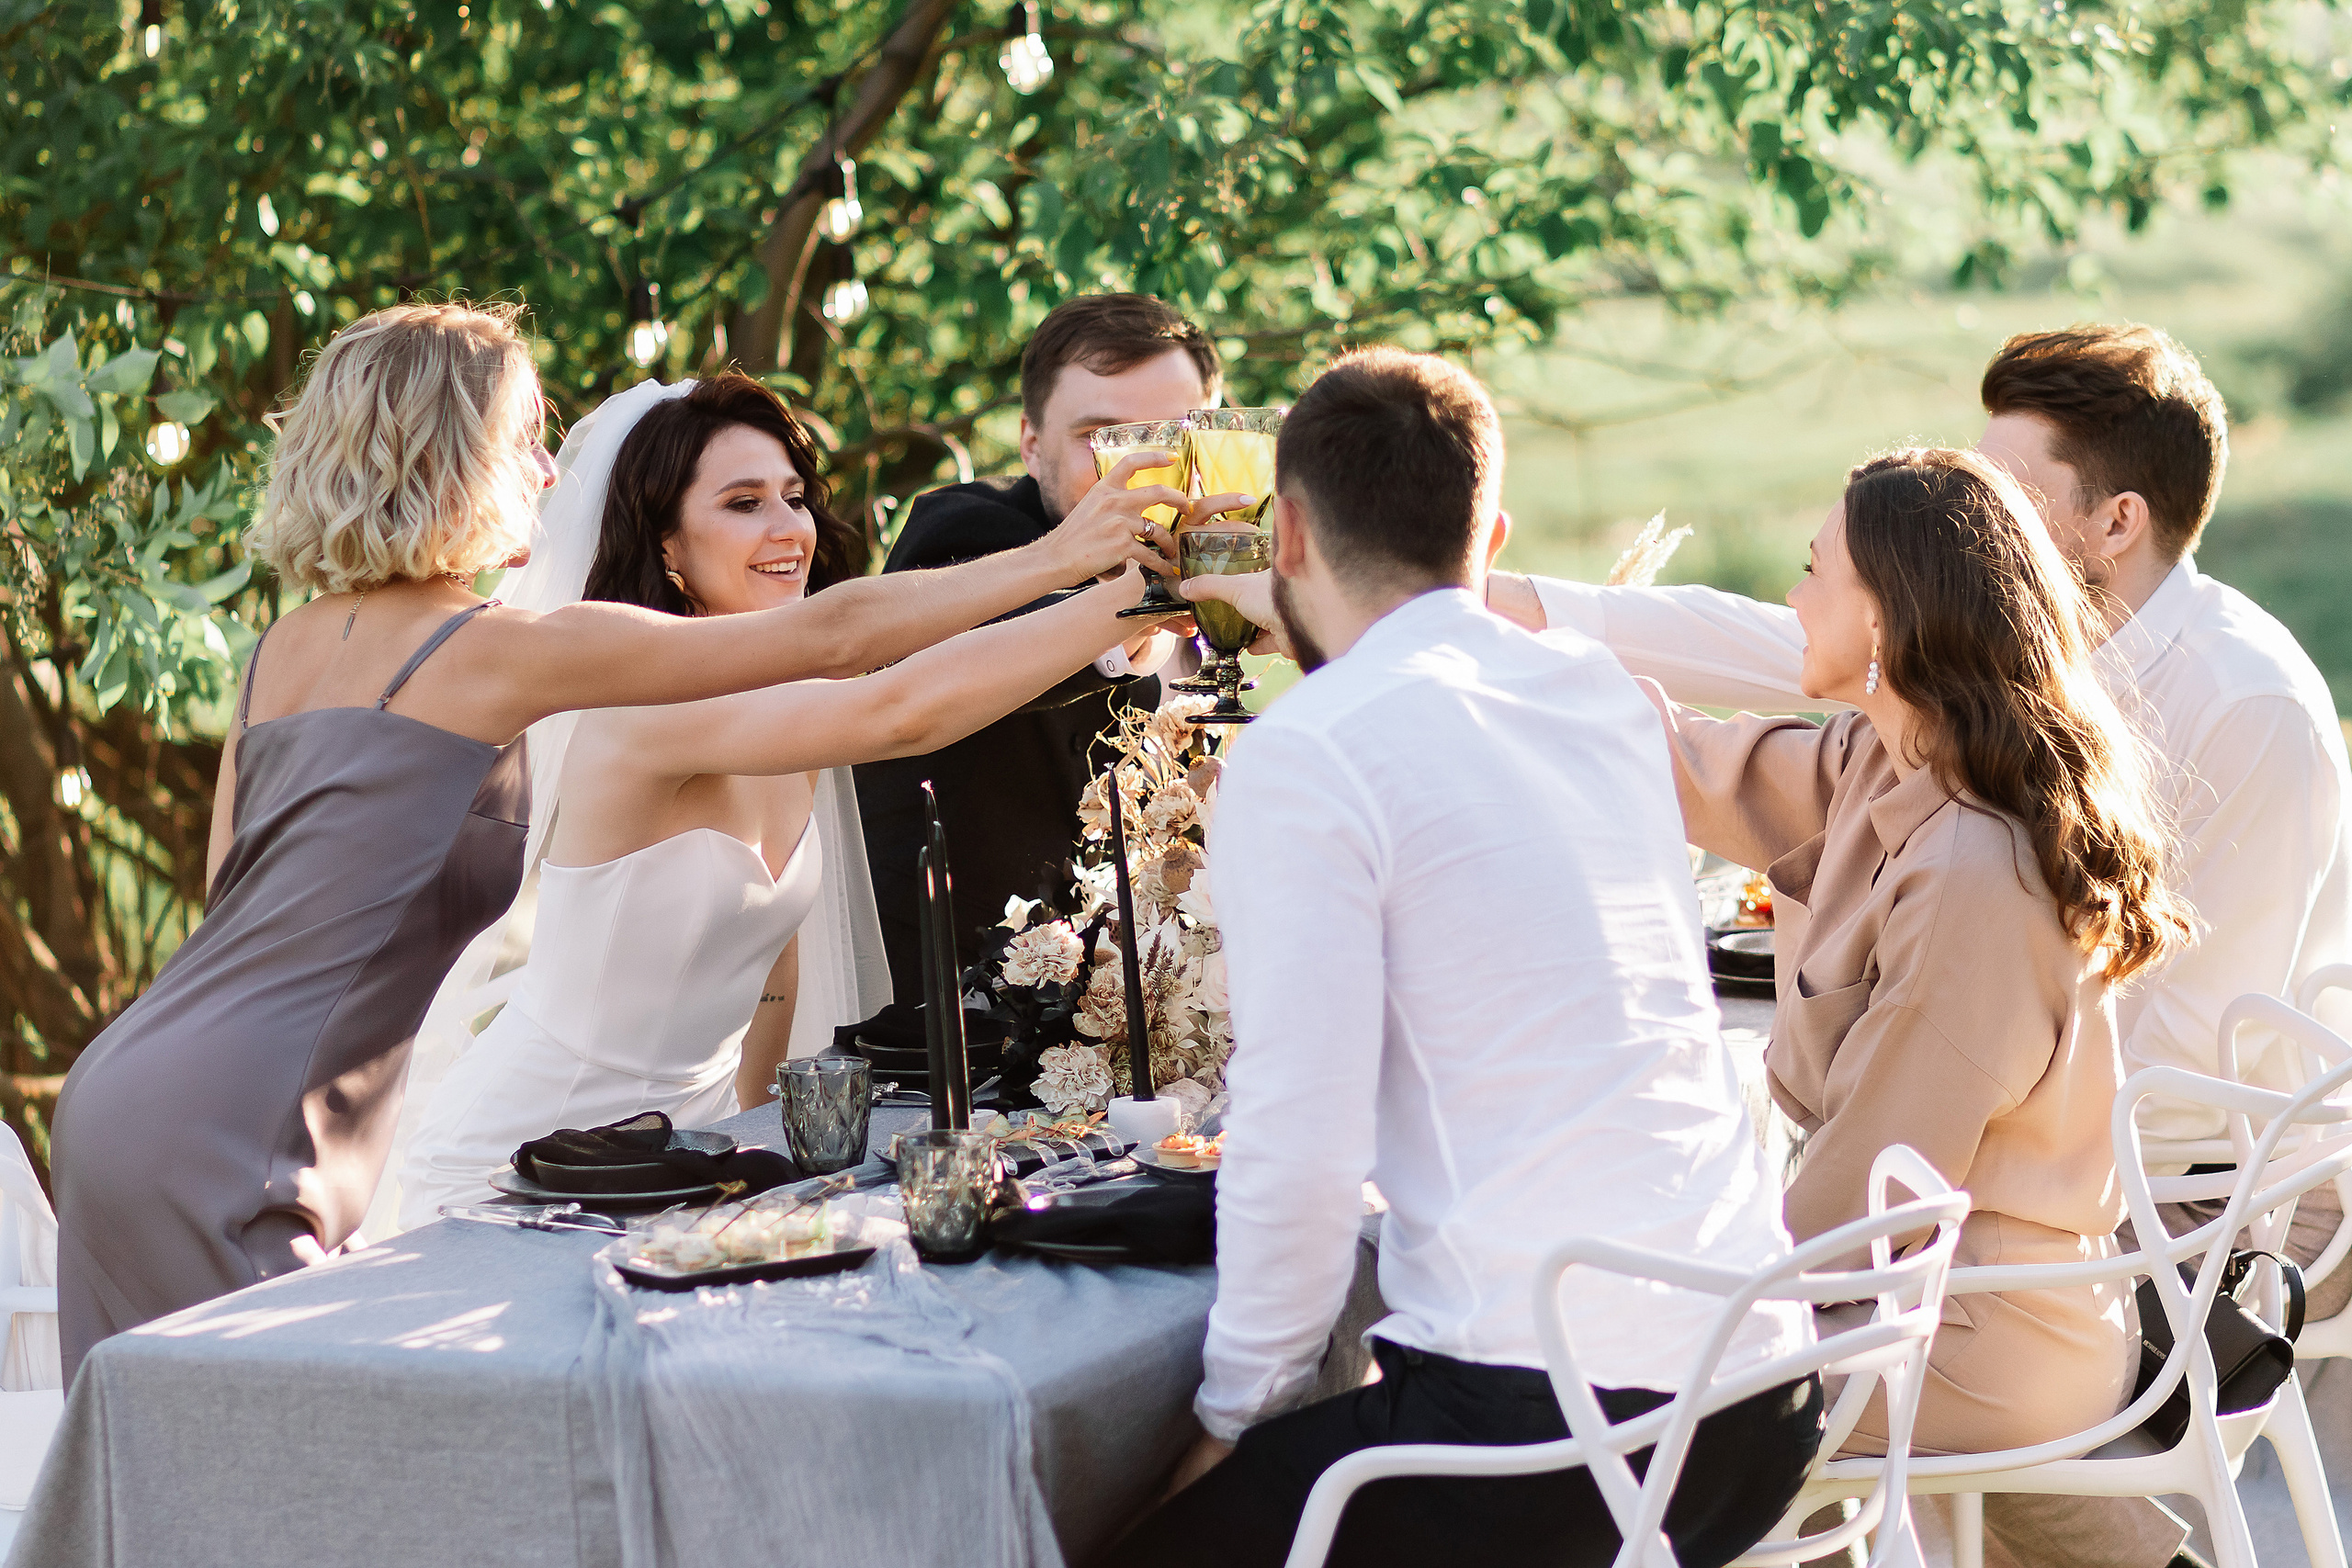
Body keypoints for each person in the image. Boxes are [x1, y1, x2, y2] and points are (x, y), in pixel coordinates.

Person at [46, 302, 1174, 1382]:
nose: (547, 472)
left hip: (136, 1091)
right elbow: (838, 639)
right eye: (526, 438)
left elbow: (230, 923)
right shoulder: (494, 651)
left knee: (184, 1480)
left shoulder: (281, 650)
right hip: (252, 1132)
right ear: (452, 455)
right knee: (292, 1482)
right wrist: (1065, 557)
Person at [1487, 324, 2352, 1330]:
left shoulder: (2247, 705)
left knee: (1779, 1329)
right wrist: (1474, 604)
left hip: (2222, 1206)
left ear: (2115, 523)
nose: (1972, 512)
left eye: (2008, 492)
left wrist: (1936, 1090)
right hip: (2035, 1155)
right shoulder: (2000, 657)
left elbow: (2183, 1074)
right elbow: (1795, 642)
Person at [1125, 348, 1821, 1568]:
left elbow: (1303, 1138)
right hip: (1765, 1390)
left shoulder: (1309, 754)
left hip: (1563, 1433)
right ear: (1491, 536)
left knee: (1126, 1524)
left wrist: (1232, 1416)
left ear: (1285, 532)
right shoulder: (1593, 690)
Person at [394, 376, 1182, 1219]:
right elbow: (900, 708)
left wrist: (760, 1141)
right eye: (742, 503)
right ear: (667, 545)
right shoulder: (643, 712)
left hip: (687, 1159)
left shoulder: (788, 705)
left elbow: (771, 977)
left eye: (795, 498)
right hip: (531, 1160)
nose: (788, 529)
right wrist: (1122, 590)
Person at [856, 294, 1224, 1003]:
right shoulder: (960, 538)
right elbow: (966, 650)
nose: (1139, 471)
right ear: (1030, 443)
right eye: (1101, 435)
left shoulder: (1209, 590)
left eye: (1169, 438)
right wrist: (1138, 614)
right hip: (949, 1030)